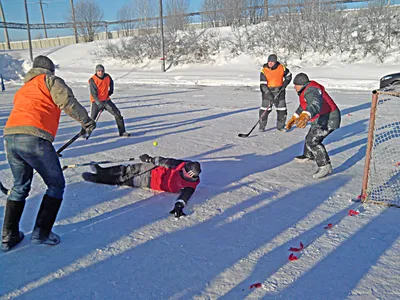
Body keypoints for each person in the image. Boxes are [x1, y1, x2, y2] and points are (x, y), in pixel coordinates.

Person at [2, 55, 96, 252]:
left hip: (10, 138)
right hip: (35, 138)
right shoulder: (50, 80)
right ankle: (41, 233)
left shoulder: (23, 89)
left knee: (20, 186)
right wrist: (87, 122)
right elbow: (67, 102)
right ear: (50, 70)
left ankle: (8, 236)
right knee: (56, 184)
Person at [82, 154, 201, 218]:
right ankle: (102, 171)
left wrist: (179, 206)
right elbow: (165, 161)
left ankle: (97, 179)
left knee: (123, 179)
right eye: (185, 170)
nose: (184, 173)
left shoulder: (190, 185)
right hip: (151, 169)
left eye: (187, 174)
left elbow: (185, 196)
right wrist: (150, 159)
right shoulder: (182, 164)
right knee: (126, 169)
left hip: (149, 182)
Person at [285, 73, 341, 179]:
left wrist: (306, 116)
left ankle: (325, 166)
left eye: (296, 85)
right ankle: (308, 156)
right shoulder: (305, 90)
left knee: (313, 141)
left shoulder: (312, 90)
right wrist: (295, 117)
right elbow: (304, 105)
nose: (294, 87)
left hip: (329, 118)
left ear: (302, 85)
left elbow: (315, 104)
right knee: (310, 137)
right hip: (321, 117)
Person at [88, 64, 130, 137]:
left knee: (118, 114)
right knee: (92, 119)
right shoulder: (93, 80)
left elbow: (111, 82)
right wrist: (98, 103)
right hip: (96, 102)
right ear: (96, 72)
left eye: (102, 71)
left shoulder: (107, 76)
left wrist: (111, 90)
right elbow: (93, 93)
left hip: (106, 100)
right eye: (98, 71)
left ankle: (122, 132)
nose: (100, 72)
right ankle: (85, 132)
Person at [259, 54, 292, 132]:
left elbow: (289, 75)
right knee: (264, 110)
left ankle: (280, 126)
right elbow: (263, 85)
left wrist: (285, 84)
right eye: (269, 61)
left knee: (282, 110)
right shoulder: (264, 70)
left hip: (280, 92)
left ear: (275, 62)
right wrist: (268, 95)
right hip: (268, 92)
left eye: (272, 62)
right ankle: (262, 126)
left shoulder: (282, 68)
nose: (270, 63)